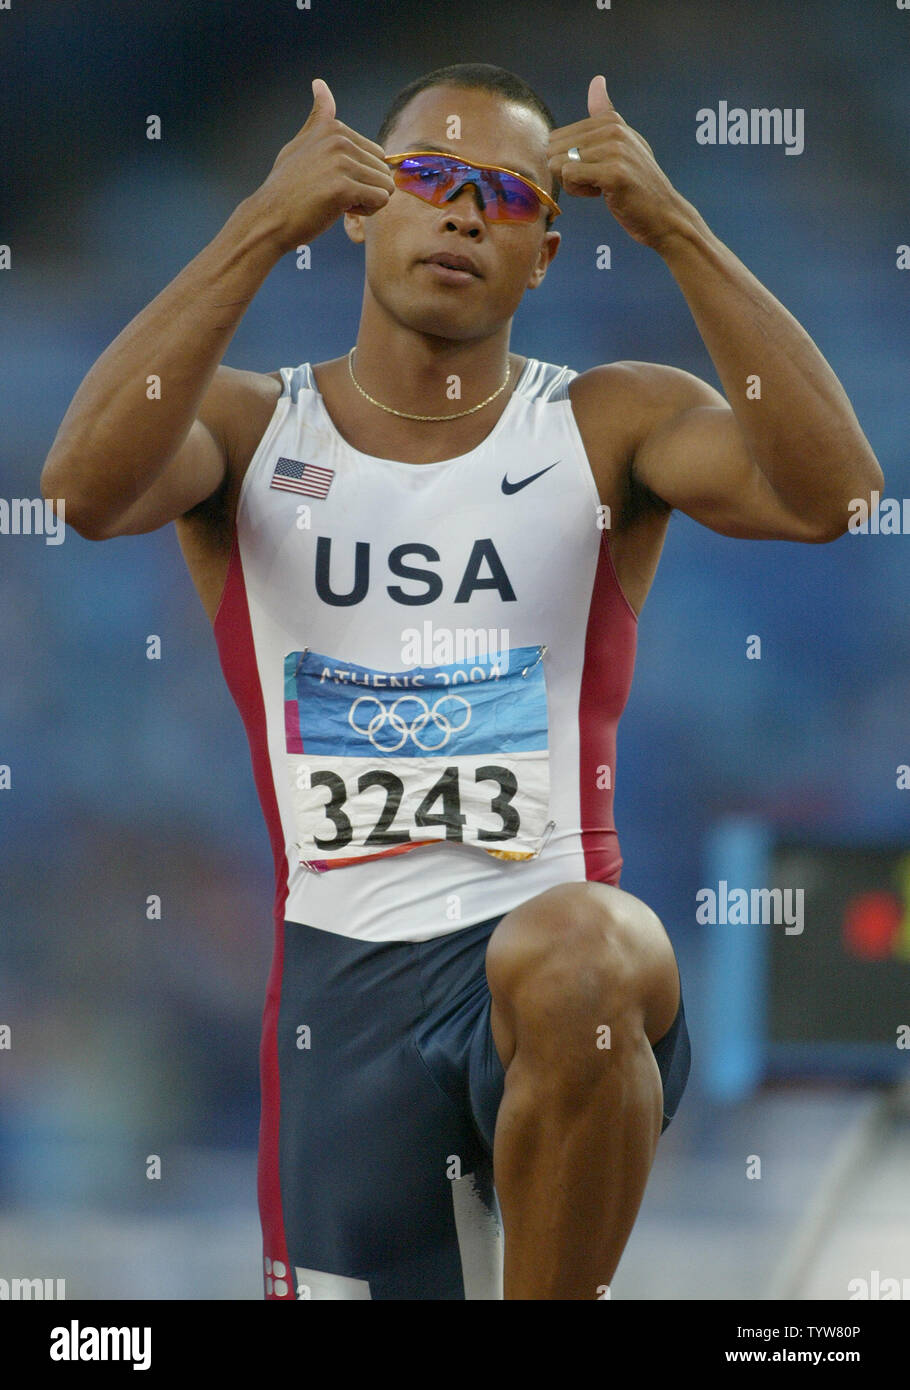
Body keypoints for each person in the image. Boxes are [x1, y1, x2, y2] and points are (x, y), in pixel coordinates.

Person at [41, 62, 882, 1300]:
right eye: (428, 176)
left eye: (503, 195)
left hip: (542, 966)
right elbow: (82, 490)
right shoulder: (247, 431)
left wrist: (678, 231)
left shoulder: (608, 424)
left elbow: (836, 495)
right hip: (344, 993)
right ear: (362, 206)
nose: (460, 213)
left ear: (543, 252)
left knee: (583, 951)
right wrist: (256, 224)